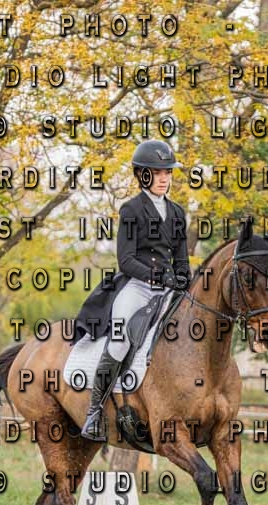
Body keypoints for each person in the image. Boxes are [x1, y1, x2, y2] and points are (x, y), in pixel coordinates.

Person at [73, 139, 191, 441]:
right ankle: (95, 411)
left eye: (168, 172)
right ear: (143, 175)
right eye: (158, 172)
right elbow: (125, 261)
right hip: (137, 287)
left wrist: (183, 279)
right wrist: (158, 277)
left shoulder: (177, 213)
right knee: (120, 340)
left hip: (168, 291)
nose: (164, 178)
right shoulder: (131, 210)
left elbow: (181, 260)